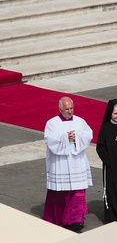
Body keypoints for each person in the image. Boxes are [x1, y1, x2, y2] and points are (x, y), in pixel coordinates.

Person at [43, 96, 93, 232]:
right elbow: (49, 140)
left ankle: (76, 219)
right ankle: (61, 218)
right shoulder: (52, 123)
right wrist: (65, 138)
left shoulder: (80, 121)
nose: (70, 111)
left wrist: (76, 137)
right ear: (60, 109)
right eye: (67, 109)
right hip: (61, 164)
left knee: (77, 193)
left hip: (77, 163)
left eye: (71, 108)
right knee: (61, 194)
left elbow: (88, 135)